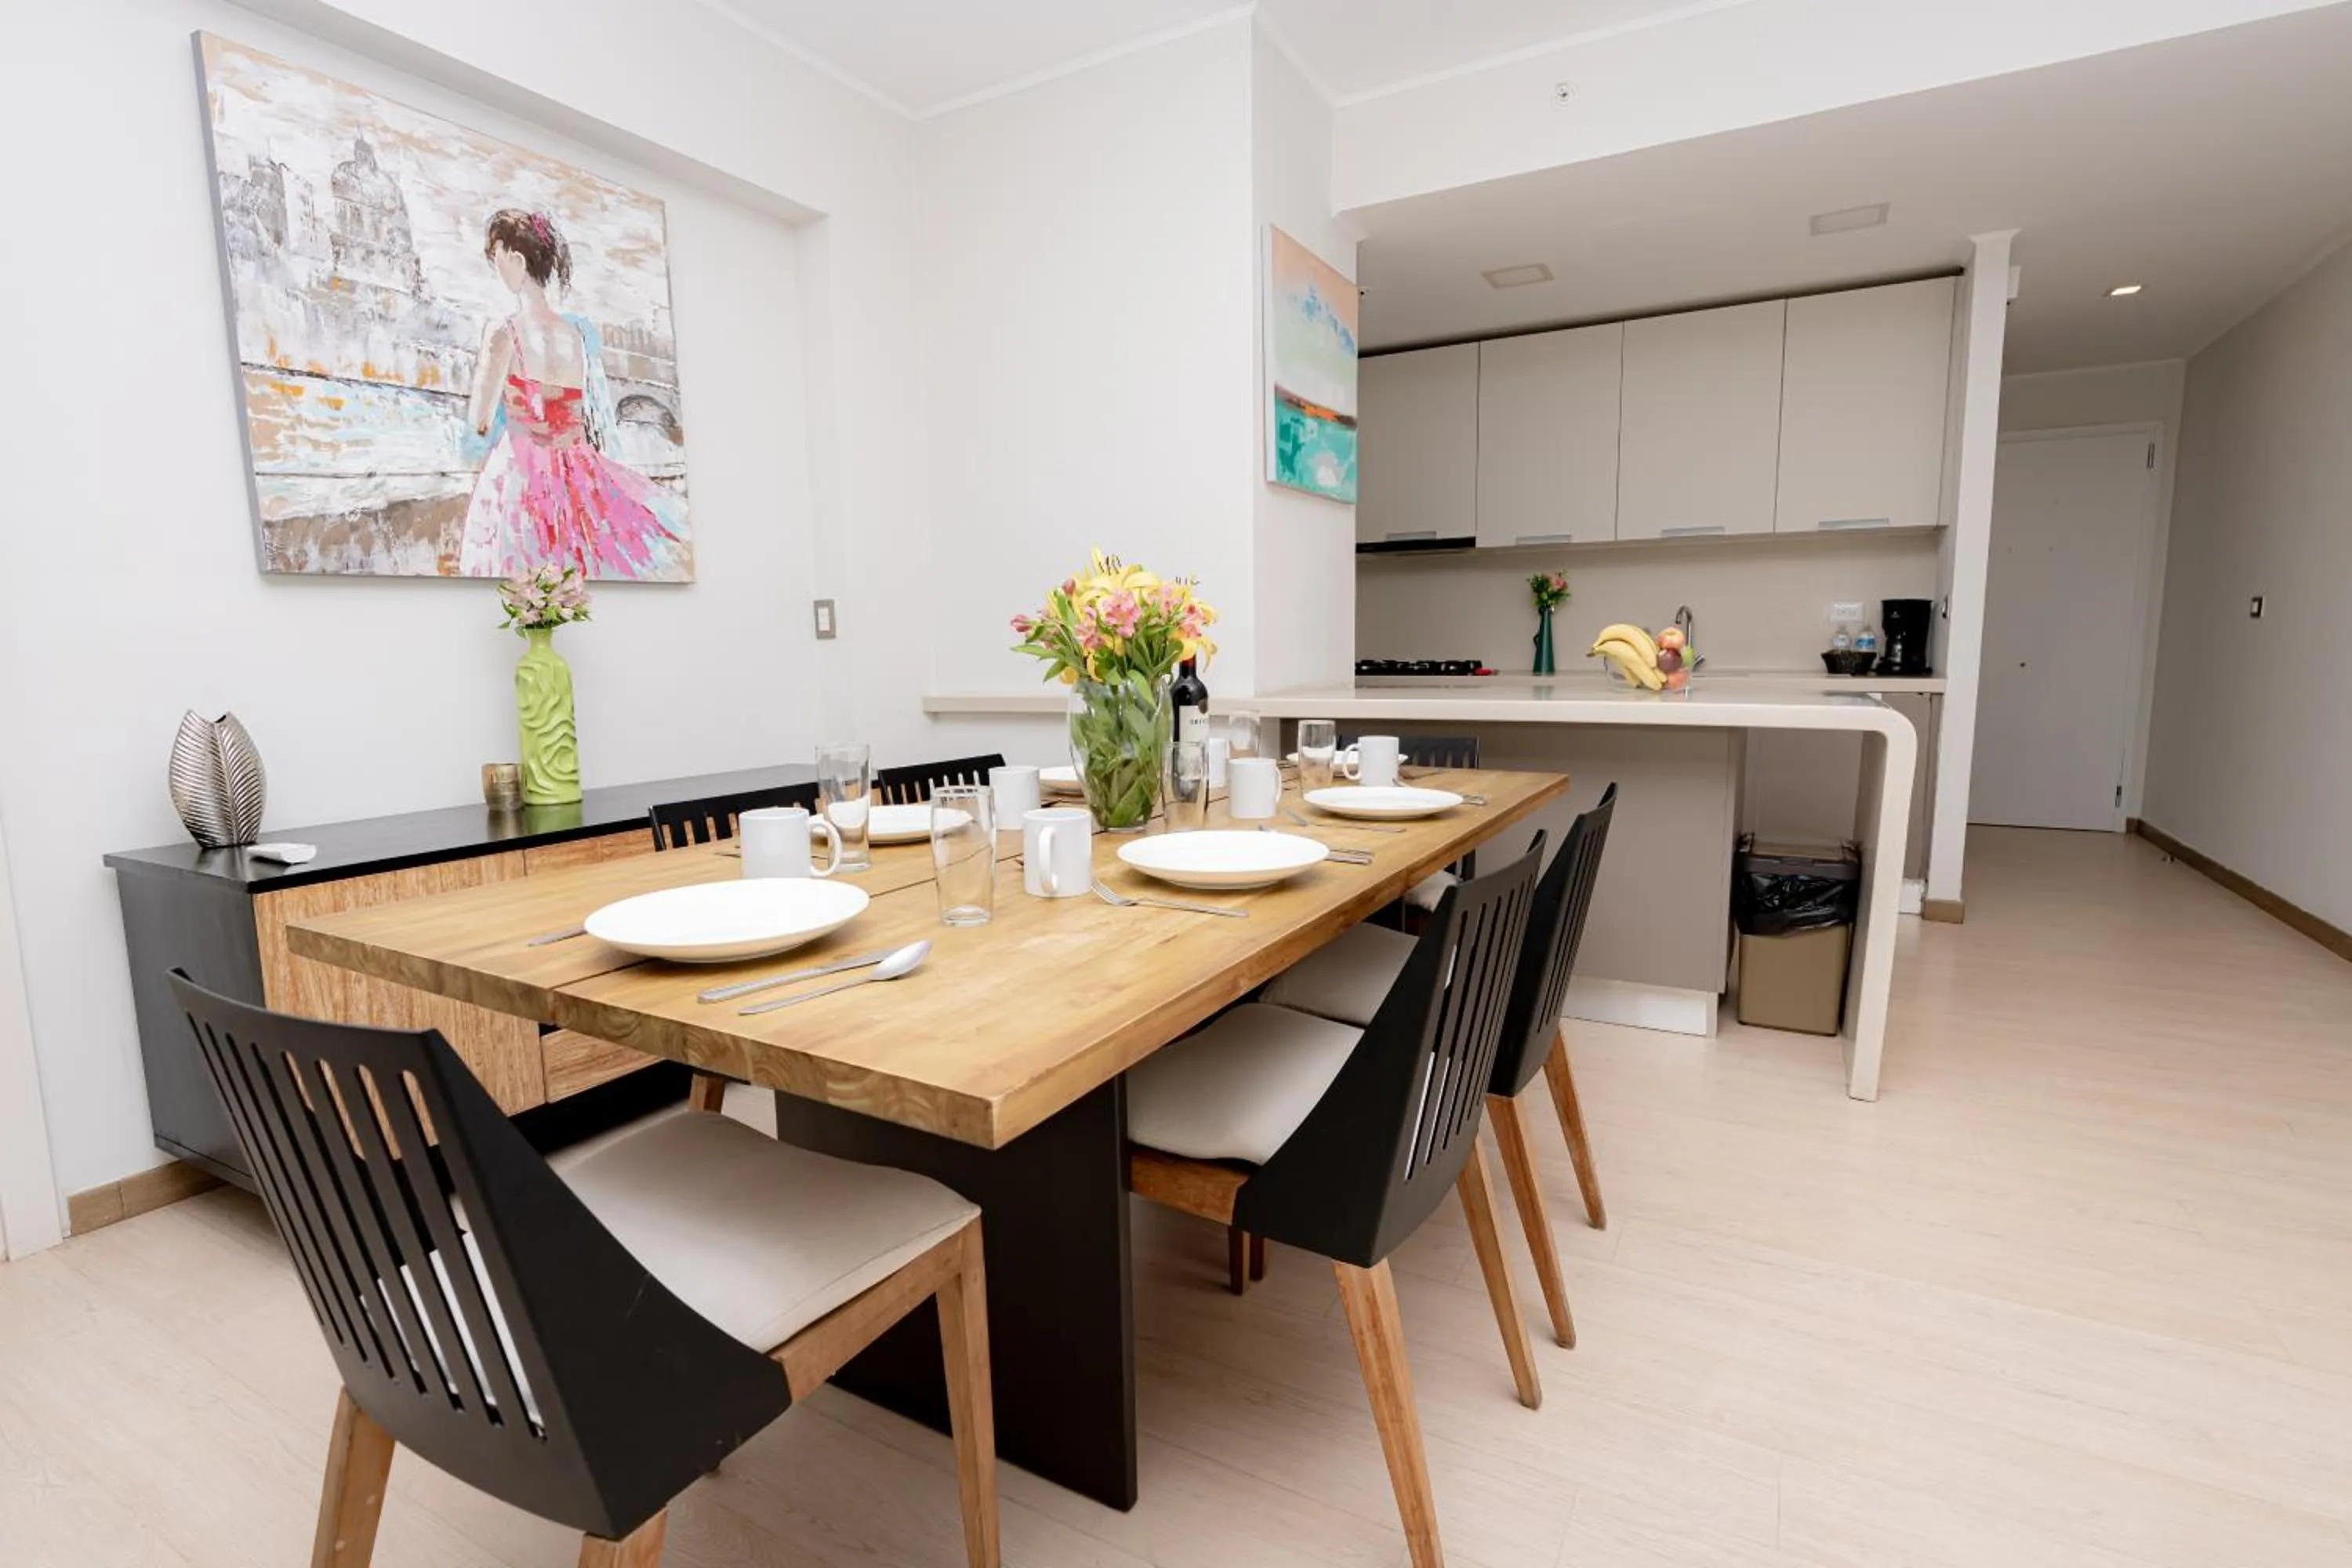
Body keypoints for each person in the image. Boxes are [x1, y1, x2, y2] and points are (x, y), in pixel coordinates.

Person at [459, 209, 688, 579]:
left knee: (517, 574)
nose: (497, 270)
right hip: (574, 473)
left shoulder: (503, 333)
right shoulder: (574, 336)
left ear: (516, 259)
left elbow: (480, 422)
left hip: (521, 472)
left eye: (497, 259)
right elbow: (578, 415)